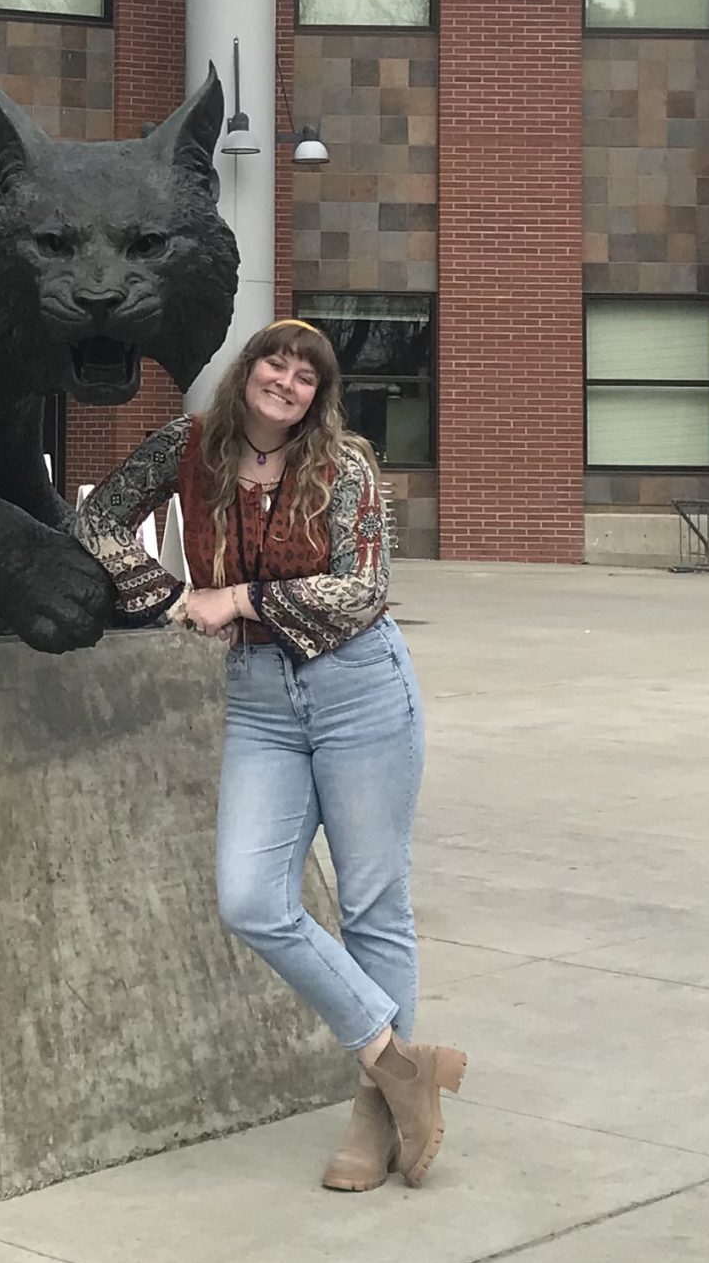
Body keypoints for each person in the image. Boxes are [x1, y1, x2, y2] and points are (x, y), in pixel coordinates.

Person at [75, 319, 466, 1191]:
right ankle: (402, 1065)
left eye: (304, 376)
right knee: (251, 898)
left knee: (372, 905)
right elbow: (97, 520)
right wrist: (167, 596)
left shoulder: (348, 467)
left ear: (317, 398)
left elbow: (362, 588)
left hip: (360, 690)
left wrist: (236, 597)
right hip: (261, 702)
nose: (285, 381)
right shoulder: (190, 445)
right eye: (273, 363)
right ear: (247, 370)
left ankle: (378, 1114)